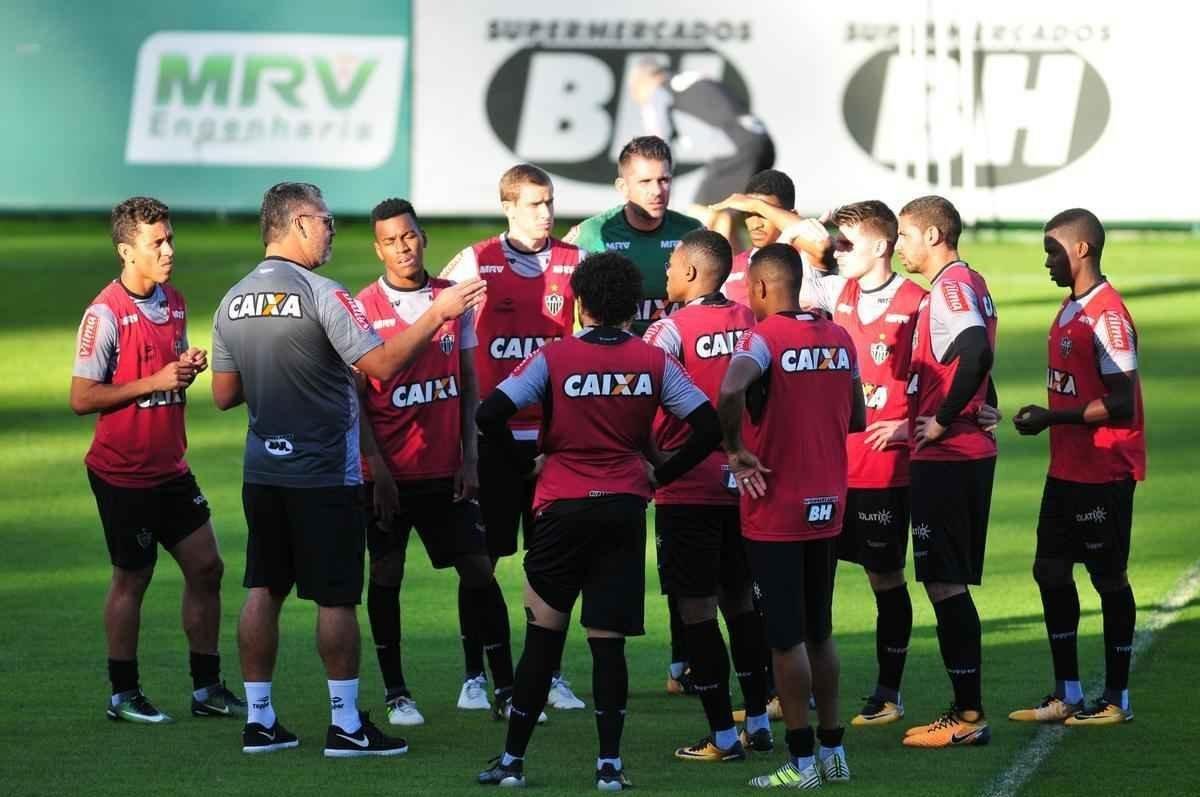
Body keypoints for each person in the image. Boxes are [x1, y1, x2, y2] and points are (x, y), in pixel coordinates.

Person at [210, 182, 485, 756]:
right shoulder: (324, 294)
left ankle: (260, 720)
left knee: (263, 588)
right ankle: (345, 725)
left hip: (263, 469)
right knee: (336, 597)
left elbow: (224, 393)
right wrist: (438, 311)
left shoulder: (231, 299)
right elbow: (381, 366)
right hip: (323, 473)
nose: (333, 230)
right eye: (328, 220)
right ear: (299, 223)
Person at [475, 252, 720, 790]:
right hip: (624, 508)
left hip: (560, 507)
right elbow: (707, 426)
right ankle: (609, 766)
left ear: (580, 303)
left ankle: (513, 763)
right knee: (608, 642)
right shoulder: (652, 361)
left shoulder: (553, 356)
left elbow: (489, 414)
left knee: (543, 639)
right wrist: (662, 475)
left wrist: (526, 467)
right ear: (632, 306)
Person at [71, 196, 244, 725]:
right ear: (127, 251)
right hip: (123, 474)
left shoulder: (175, 301)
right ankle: (123, 694)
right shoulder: (104, 315)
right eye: (157, 242)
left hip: (170, 467)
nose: (169, 249)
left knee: (208, 568)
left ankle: (207, 687)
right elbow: (82, 398)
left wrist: (186, 365)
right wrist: (157, 379)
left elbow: (168, 370)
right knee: (133, 578)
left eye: (169, 238)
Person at [355, 197, 520, 727]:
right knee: (386, 571)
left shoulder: (453, 297)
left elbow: (468, 381)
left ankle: (507, 690)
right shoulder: (361, 307)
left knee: (478, 569)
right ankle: (397, 693)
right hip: (390, 476)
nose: (402, 248)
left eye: (409, 236)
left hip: (445, 468)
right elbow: (356, 396)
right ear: (377, 248)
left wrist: (470, 456)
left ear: (423, 237)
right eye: (390, 240)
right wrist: (375, 466)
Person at [718, 243, 864, 789]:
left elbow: (730, 388)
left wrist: (736, 449)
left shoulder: (763, 339)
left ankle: (801, 764)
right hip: (829, 502)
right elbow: (858, 414)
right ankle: (833, 752)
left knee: (784, 639)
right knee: (820, 630)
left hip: (776, 507)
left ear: (758, 288)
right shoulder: (839, 336)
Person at [442, 164, 586, 713]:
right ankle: (473, 675)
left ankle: (549, 674)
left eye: (549, 202)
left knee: (550, 564)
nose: (546, 213)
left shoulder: (576, 264)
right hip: (493, 438)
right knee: (482, 559)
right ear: (508, 207)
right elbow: (440, 325)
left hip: (552, 442)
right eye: (533, 204)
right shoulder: (476, 261)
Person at [642, 230, 774, 762]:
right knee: (742, 604)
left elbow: (640, 394)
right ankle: (760, 720)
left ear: (693, 273)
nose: (667, 274)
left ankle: (722, 735)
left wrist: (653, 463)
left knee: (696, 611)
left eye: (672, 265)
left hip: (687, 485)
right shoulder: (751, 322)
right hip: (746, 485)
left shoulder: (667, 330)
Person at [1010, 208, 1144, 726]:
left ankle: (1117, 698)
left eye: (1052, 250)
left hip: (1104, 468)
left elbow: (1122, 401)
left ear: (1081, 249)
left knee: (1108, 579)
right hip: (1066, 468)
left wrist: (1052, 417)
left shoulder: (1107, 316)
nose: (1046, 261)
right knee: (1049, 570)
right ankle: (1067, 692)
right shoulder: (1070, 309)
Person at [895, 195, 999, 749]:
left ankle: (968, 714)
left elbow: (977, 349)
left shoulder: (952, 287)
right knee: (944, 580)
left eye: (906, 236)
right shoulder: (971, 282)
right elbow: (984, 354)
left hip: (951, 455)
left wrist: (942, 417)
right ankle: (966, 709)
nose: (900, 246)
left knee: (945, 582)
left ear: (934, 236)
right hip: (963, 452)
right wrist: (987, 402)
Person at [565, 136, 703, 336]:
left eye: (664, 180)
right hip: (612, 360)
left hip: (676, 359)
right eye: (645, 182)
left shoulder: (693, 233)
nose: (656, 191)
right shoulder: (591, 235)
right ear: (622, 187)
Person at [628, 61, 775, 244]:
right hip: (762, 141)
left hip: (736, 150)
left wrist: (655, 181)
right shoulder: (692, 79)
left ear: (643, 81)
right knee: (725, 215)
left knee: (702, 219)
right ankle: (740, 268)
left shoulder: (659, 91)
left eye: (634, 92)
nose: (637, 99)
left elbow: (657, 144)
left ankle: (716, 270)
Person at [722, 170, 795, 307]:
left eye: (763, 213)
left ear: (791, 215)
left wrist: (757, 204)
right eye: (749, 213)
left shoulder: (809, 258)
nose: (755, 224)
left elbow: (821, 244)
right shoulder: (731, 267)